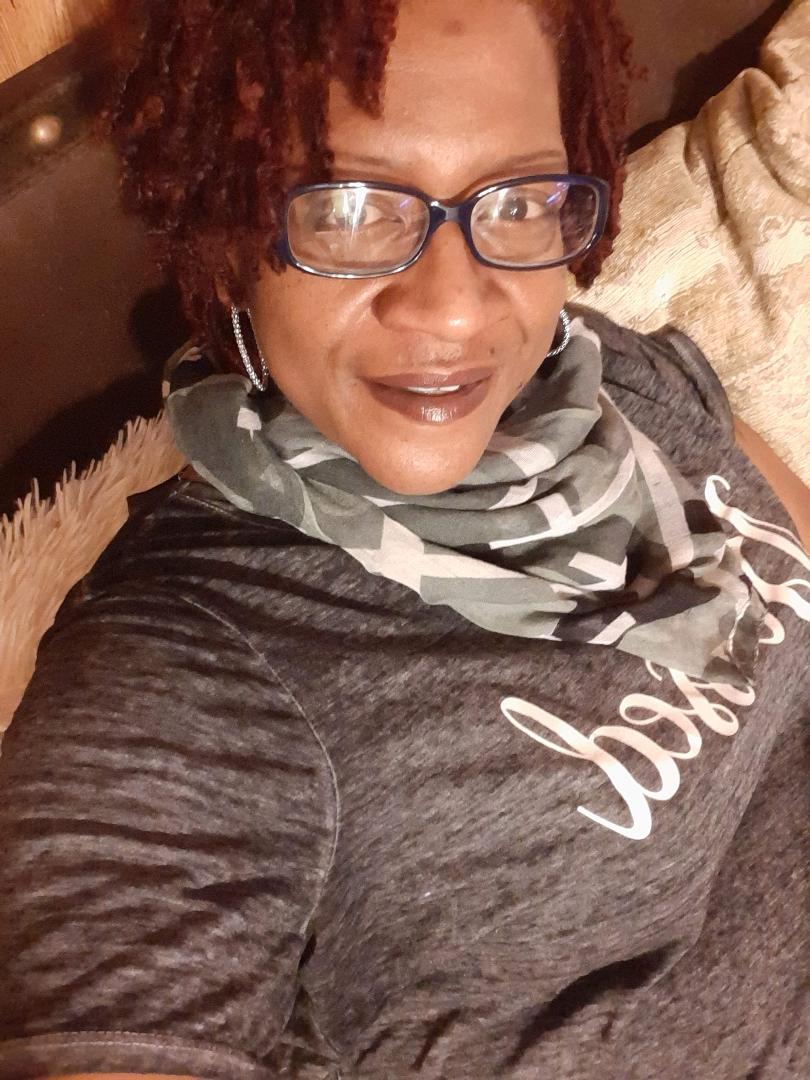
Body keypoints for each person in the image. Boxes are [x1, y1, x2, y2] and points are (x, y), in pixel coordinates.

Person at [0, 1, 808, 1078]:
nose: (455, 311)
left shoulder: (614, 378)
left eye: (517, 198)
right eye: (348, 209)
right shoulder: (186, 671)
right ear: (225, 230)